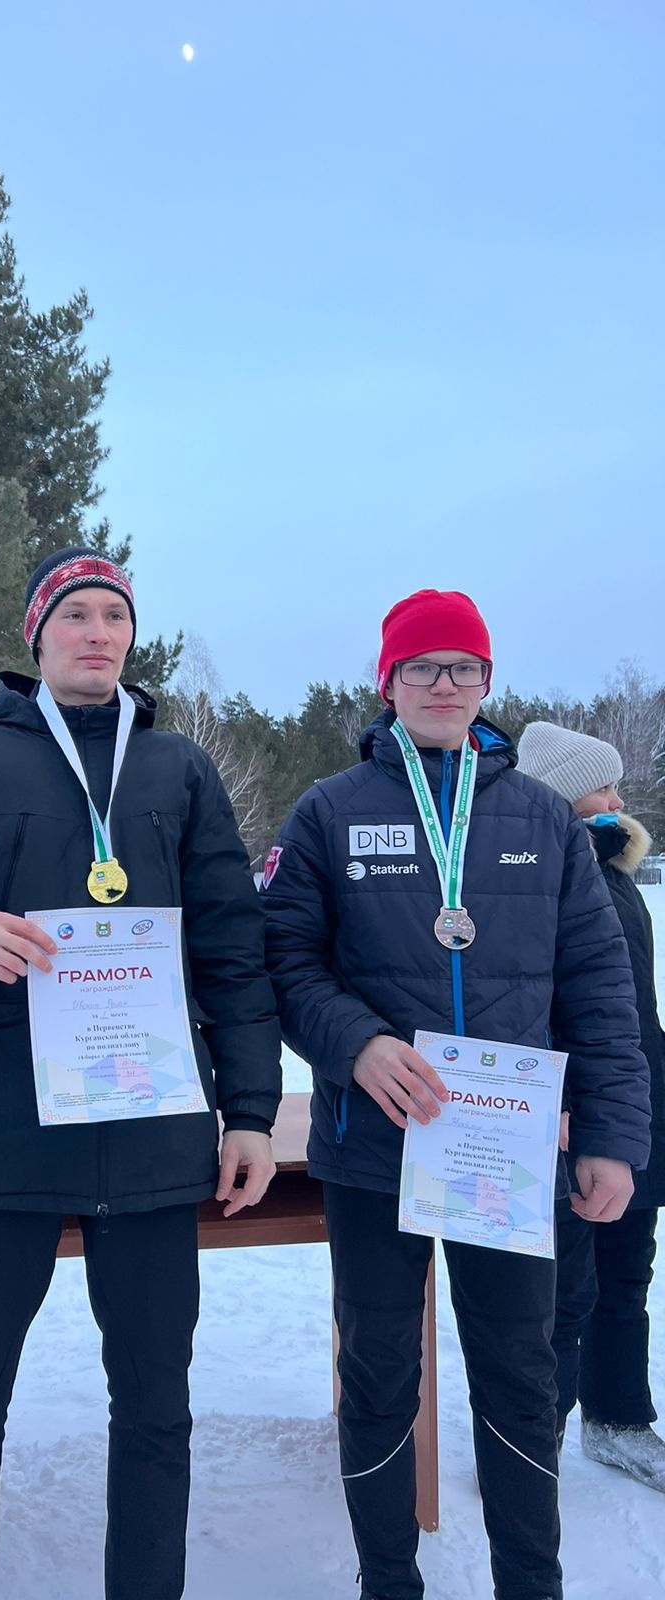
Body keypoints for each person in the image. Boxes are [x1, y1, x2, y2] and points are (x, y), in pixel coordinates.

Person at [0, 546, 281, 1600]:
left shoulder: (179, 770)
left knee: (155, 1406)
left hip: (151, 1136)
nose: (99, 632)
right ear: (37, 635)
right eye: (76, 614)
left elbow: (232, 945)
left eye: (115, 616)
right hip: (2, 1135)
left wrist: (254, 1109)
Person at [260, 588, 651, 1600]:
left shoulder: (542, 821)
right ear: (386, 683)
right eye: (423, 667)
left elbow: (602, 992)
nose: (445, 683)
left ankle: (533, 1583)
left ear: (487, 682)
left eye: (463, 667)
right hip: (374, 1138)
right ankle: (388, 1582)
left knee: (519, 1376)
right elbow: (287, 964)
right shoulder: (330, 810)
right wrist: (358, 1044)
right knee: (381, 1375)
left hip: (506, 1152)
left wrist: (609, 1135)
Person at [517, 721, 665, 1490]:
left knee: (628, 1270)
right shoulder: (538, 875)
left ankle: (618, 1417)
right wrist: (570, 1100)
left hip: (637, 1099)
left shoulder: (617, 871)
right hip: (570, 1110)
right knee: (566, 1284)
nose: (618, 798)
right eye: (602, 786)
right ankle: (533, 1430)